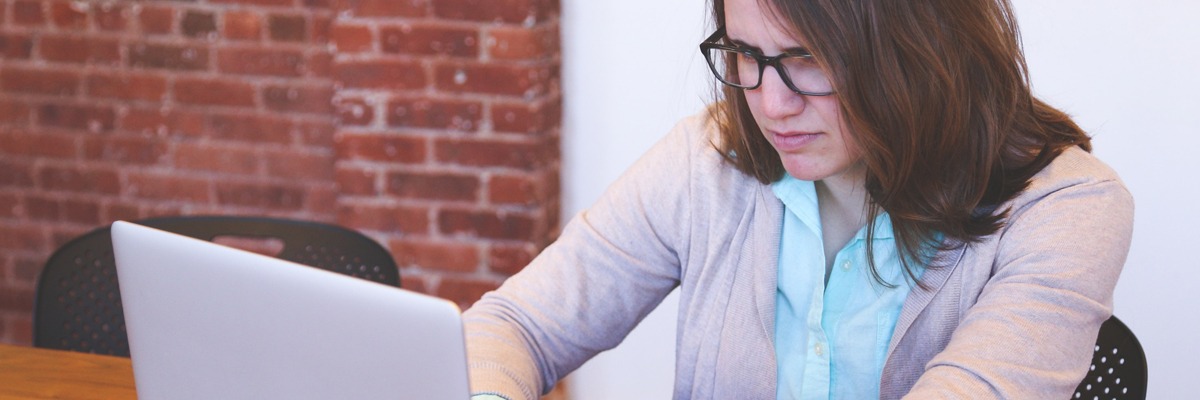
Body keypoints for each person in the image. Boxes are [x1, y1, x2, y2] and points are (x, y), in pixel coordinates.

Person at [463, 0, 1134, 398]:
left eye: (807, 58)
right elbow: (515, 326)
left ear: (915, 46)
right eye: (745, 54)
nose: (769, 102)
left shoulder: (1068, 208)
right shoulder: (705, 163)